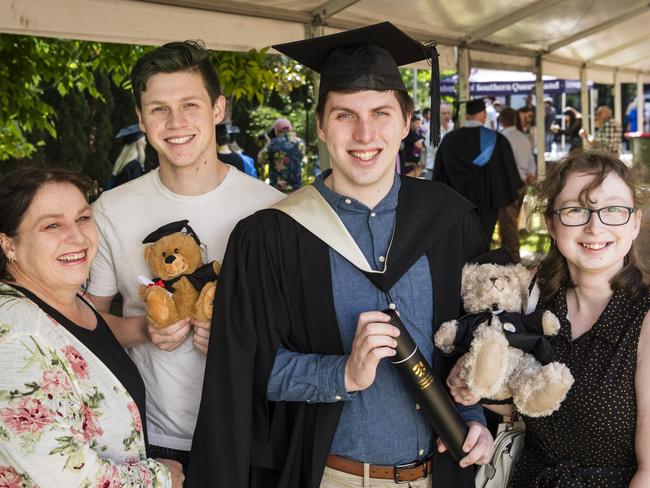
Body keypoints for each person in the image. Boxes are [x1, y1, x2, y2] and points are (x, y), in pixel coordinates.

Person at [187, 22, 494, 488]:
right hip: (333, 477)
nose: (365, 132)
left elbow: (474, 341)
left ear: (407, 122)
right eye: (345, 114)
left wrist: (473, 415)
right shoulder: (273, 237)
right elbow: (245, 370)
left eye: (381, 113)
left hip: (441, 474)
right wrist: (341, 373)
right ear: (322, 127)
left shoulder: (451, 222)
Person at [86, 41, 283, 472]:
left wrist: (242, 344)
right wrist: (140, 328)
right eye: (158, 109)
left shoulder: (274, 208)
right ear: (141, 119)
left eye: (190, 104)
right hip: (153, 435)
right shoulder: (112, 209)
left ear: (218, 109)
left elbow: (301, 330)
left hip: (252, 429)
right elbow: (86, 322)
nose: (176, 123)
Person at [448, 150, 650, 487]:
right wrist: (474, 389)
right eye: (576, 210)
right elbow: (529, 406)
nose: (594, 226)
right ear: (552, 224)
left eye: (613, 210)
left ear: (635, 223)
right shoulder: (532, 300)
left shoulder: (643, 319)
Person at [0, 167, 183, 487]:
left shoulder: (68, 298)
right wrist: (160, 478)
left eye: (83, 218)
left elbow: (83, 348)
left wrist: (142, 328)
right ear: (8, 245)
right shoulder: (14, 332)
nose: (77, 237)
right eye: (52, 225)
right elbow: (60, 474)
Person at [434, 98, 523, 242]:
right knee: (483, 240)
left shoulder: (449, 140)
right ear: (483, 115)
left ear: (467, 115)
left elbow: (439, 174)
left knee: (460, 242)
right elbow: (508, 174)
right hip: (487, 203)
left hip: (457, 204)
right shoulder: (497, 140)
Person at [496, 107, 536, 262]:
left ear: (501, 120)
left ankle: (513, 257)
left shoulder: (501, 138)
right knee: (511, 221)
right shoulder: (523, 137)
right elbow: (531, 160)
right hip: (523, 183)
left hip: (509, 185)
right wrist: (528, 174)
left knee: (508, 223)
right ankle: (508, 254)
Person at [258, 117, 305, 191]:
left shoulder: (273, 143)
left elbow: (260, 160)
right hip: (296, 189)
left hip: (278, 189)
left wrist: (268, 142)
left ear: (276, 130)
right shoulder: (301, 143)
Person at [106, 123, 148, 189]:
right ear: (138, 143)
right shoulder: (134, 166)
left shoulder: (124, 165)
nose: (146, 143)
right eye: (144, 140)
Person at [422, 103, 454, 179]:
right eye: (444, 113)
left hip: (448, 172)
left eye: (449, 113)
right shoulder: (432, 132)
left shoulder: (452, 129)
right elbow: (440, 152)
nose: (447, 116)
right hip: (433, 171)